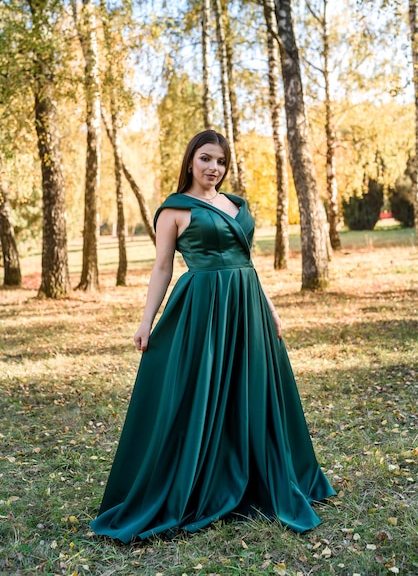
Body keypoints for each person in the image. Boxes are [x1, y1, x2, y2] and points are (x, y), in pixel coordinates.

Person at [90, 130, 335, 543]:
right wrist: (146, 321)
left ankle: (255, 475)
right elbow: (163, 269)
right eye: (205, 159)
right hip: (203, 309)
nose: (213, 168)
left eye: (220, 162)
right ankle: (199, 478)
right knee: (199, 392)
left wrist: (269, 307)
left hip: (246, 306)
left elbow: (247, 262)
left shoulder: (235, 205)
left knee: (250, 390)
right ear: (191, 161)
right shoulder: (174, 210)